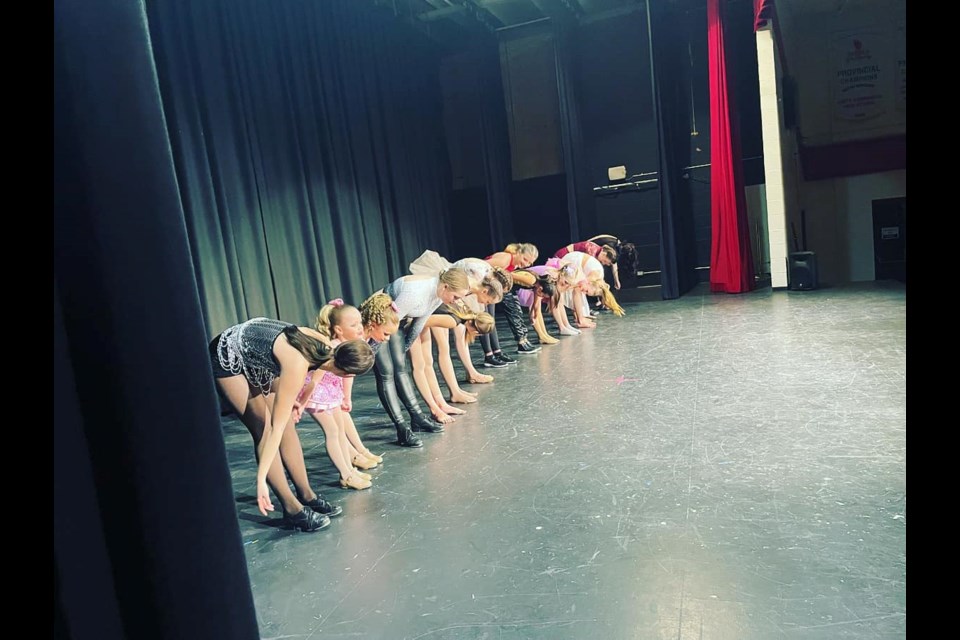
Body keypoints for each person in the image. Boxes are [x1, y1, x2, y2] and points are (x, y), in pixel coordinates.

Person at [210, 317, 374, 530]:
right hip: (227, 354)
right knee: (265, 428)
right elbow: (275, 430)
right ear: (347, 373)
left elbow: (319, 371)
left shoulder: (326, 347)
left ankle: (306, 495)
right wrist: (260, 480)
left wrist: (301, 400)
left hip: (258, 355)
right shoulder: (297, 366)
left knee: (287, 423)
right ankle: (292, 509)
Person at [372, 269, 471, 447]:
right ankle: (401, 428)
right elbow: (386, 322)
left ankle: (416, 417)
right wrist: (371, 349)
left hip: (395, 320)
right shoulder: (416, 292)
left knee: (401, 368)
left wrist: (404, 349)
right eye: (456, 297)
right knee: (386, 373)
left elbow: (419, 323)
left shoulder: (438, 295)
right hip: (379, 321)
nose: (456, 302)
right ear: (446, 286)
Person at [484, 243, 542, 361]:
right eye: (525, 259)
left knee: (491, 321)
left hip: (491, 289)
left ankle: (497, 352)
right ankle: (489, 356)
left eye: (529, 263)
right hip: (483, 289)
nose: (525, 264)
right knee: (486, 321)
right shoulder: (506, 258)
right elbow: (481, 269)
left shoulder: (513, 264)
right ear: (518, 253)